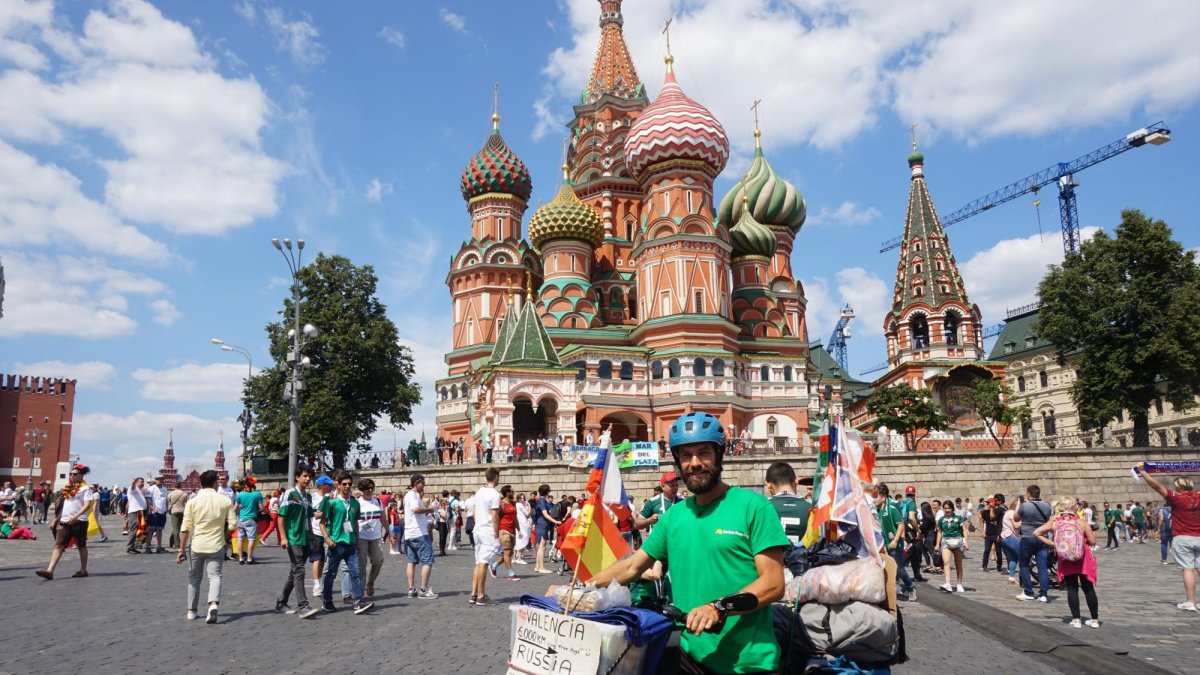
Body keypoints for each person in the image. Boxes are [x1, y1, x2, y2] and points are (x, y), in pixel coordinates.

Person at [586, 412, 790, 674]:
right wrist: (581, 588)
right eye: (686, 455)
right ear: (677, 461)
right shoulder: (674, 517)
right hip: (690, 658)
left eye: (704, 453)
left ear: (719, 455)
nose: (695, 463)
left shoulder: (754, 507)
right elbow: (632, 567)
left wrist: (718, 607)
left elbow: (773, 583)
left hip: (749, 663)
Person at [1134, 465, 1200, 612]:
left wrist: (1142, 472)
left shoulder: (1176, 498)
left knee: (1188, 569)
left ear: (1180, 487)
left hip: (1183, 538)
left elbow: (1155, 485)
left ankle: (1191, 601)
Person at [176, 470, 237, 623]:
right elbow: (233, 524)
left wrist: (181, 550)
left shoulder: (192, 501)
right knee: (215, 576)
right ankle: (213, 604)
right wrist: (225, 537)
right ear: (216, 483)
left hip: (197, 544)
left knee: (194, 577)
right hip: (216, 544)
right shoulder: (225, 501)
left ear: (200, 484)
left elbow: (185, 529)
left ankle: (192, 610)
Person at [1034, 497, 1100, 628]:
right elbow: (1093, 542)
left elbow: (1037, 532)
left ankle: (1076, 619)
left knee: (1072, 588)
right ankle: (1094, 620)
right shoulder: (1081, 522)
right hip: (1083, 557)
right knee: (1088, 588)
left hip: (1065, 557)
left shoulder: (1055, 522)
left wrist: (1054, 544)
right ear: (1073, 508)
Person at [317, 470, 373, 614]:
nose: (347, 486)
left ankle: (358, 601)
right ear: (339, 486)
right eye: (344, 484)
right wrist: (327, 539)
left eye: (349, 484)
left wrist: (357, 540)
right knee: (331, 574)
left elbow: (354, 523)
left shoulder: (355, 503)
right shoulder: (332, 503)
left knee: (355, 572)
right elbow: (322, 523)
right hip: (336, 544)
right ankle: (327, 601)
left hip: (351, 544)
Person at [36, 464, 96, 580]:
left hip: (79, 522)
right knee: (58, 545)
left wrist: (76, 516)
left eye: (75, 474)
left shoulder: (86, 489)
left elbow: (87, 505)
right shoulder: (67, 489)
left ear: (81, 475)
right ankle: (50, 571)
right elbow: (64, 506)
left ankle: (83, 569)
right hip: (64, 522)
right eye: (71, 474)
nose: (72, 476)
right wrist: (56, 519)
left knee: (81, 546)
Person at [275, 465, 320, 619]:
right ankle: (303, 605)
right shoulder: (289, 494)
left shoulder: (307, 497)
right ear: (297, 477)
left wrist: (313, 537)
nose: (308, 479)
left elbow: (308, 518)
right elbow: (281, 517)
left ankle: (281, 602)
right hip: (293, 538)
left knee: (294, 571)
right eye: (305, 476)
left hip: (305, 538)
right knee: (300, 570)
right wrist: (283, 537)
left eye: (309, 477)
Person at [874, 483, 915, 599]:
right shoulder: (877, 510)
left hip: (894, 543)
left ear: (883, 498)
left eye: (876, 496)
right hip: (884, 543)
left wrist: (896, 540)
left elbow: (901, 526)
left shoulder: (892, 509)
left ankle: (910, 587)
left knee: (899, 569)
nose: (874, 499)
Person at [1013, 484, 1053, 602]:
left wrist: (1020, 504)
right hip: (1042, 539)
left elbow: (1016, 519)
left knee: (1024, 565)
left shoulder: (1025, 506)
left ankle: (1028, 592)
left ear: (1028, 494)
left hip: (1028, 538)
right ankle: (1043, 594)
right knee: (1042, 567)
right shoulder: (1047, 506)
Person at [348, 478, 385, 599]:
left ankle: (371, 583)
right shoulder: (357, 503)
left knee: (378, 561)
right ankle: (360, 593)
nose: (369, 490)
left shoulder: (378, 502)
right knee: (361, 565)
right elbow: (351, 520)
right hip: (361, 536)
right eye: (367, 488)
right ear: (362, 490)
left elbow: (383, 517)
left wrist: (389, 532)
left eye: (371, 488)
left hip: (375, 536)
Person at [469, 467, 502, 606]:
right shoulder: (495, 494)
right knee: (484, 562)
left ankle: (474, 593)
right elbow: (494, 516)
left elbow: (475, 511)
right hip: (487, 530)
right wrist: (496, 533)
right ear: (495, 477)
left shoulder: (479, 492)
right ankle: (481, 595)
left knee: (478, 562)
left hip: (478, 529)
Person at [402, 474, 438, 599]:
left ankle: (411, 589)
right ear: (417, 482)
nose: (424, 485)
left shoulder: (407, 496)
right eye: (423, 483)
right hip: (419, 533)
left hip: (409, 534)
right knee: (427, 561)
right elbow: (415, 509)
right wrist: (429, 510)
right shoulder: (413, 495)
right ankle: (423, 589)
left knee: (411, 561)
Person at [763, 462, 811, 545]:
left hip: (774, 557)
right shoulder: (811, 508)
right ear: (796, 482)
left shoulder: (762, 508)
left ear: (769, 485)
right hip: (803, 557)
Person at [309, 475, 335, 598]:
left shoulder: (332, 497)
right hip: (315, 532)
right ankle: (316, 584)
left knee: (326, 561)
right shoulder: (312, 498)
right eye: (329, 485)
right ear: (322, 485)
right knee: (317, 559)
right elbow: (314, 515)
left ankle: (322, 582)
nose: (331, 486)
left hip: (330, 532)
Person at [935, 499, 968, 593]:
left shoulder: (959, 518)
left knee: (958, 564)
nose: (947, 510)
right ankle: (948, 583)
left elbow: (964, 530)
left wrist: (966, 542)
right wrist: (937, 544)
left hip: (957, 541)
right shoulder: (941, 520)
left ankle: (959, 584)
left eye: (949, 508)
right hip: (946, 541)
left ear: (952, 509)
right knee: (946, 562)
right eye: (945, 508)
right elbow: (940, 532)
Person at [493, 485, 519, 580]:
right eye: (512, 491)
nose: (513, 493)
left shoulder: (513, 503)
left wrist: (519, 530)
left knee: (508, 554)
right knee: (507, 552)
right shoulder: (501, 504)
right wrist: (497, 533)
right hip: (504, 530)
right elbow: (496, 518)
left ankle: (494, 565)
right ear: (507, 493)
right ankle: (511, 574)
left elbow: (515, 518)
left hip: (512, 531)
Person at [532, 484, 559, 574]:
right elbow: (545, 514)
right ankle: (542, 567)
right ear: (547, 492)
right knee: (542, 547)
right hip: (542, 524)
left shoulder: (540, 500)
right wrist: (555, 521)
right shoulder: (542, 501)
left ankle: (537, 566)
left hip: (539, 524)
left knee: (540, 546)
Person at [980, 496, 1006, 573]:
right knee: (987, 550)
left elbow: (998, 521)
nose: (988, 505)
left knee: (998, 551)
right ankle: (984, 565)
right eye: (987, 503)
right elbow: (982, 521)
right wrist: (982, 531)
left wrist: (1000, 534)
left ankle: (999, 566)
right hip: (988, 534)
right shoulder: (984, 512)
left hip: (997, 534)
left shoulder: (999, 511)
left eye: (989, 503)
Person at [126, 477, 148, 554]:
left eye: (143, 482)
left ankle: (133, 546)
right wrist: (133, 483)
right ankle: (129, 547)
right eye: (141, 482)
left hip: (140, 512)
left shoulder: (140, 490)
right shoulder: (133, 489)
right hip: (134, 512)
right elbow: (132, 487)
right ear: (136, 482)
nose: (142, 483)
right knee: (133, 530)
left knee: (139, 530)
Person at [146, 479, 168, 553]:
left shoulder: (165, 489)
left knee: (160, 529)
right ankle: (147, 547)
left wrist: (166, 508)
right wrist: (152, 508)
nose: (160, 481)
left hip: (162, 512)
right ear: (156, 481)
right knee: (151, 529)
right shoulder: (151, 489)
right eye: (158, 480)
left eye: (161, 479)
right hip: (154, 512)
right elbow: (148, 499)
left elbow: (166, 500)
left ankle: (159, 546)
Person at [167, 482, 188, 549]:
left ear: (174, 486)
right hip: (182, 511)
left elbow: (168, 503)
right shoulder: (184, 494)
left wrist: (168, 510)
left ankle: (175, 543)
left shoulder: (170, 494)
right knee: (180, 528)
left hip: (174, 511)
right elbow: (187, 503)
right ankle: (175, 541)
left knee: (175, 528)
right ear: (180, 486)